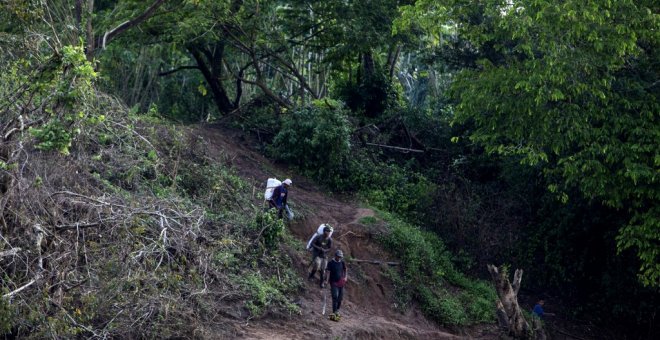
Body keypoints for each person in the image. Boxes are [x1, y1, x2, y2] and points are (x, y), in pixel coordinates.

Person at [325, 249, 347, 322]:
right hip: (333, 282)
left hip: (341, 282)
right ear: (335, 256)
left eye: (340, 257)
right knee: (335, 297)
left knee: (340, 298)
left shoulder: (342, 262)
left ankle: (337, 310)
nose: (339, 258)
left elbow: (345, 269)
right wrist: (326, 280)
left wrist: (345, 277)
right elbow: (328, 272)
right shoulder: (331, 263)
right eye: (338, 257)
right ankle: (334, 313)